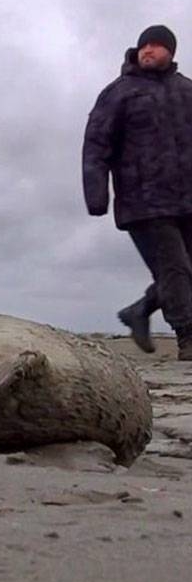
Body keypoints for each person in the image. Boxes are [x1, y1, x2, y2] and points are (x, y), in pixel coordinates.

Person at [84, 24, 192, 359]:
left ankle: (141, 310)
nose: (149, 50)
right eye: (145, 45)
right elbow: (96, 144)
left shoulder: (187, 90)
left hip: (187, 199)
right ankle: (187, 338)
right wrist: (96, 195)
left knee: (185, 271)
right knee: (175, 269)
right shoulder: (119, 92)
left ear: (170, 53)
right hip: (142, 201)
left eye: (157, 46)